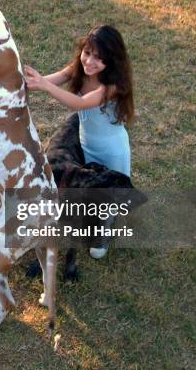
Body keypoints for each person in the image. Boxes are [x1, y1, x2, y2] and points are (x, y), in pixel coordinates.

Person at [24, 25, 134, 258]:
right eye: (87, 53)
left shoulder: (113, 86)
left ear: (111, 62)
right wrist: (34, 82)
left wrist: (43, 86)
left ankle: (104, 232)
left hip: (112, 150)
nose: (89, 62)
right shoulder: (80, 69)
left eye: (99, 58)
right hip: (86, 145)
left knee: (108, 193)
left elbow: (78, 104)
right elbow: (60, 77)